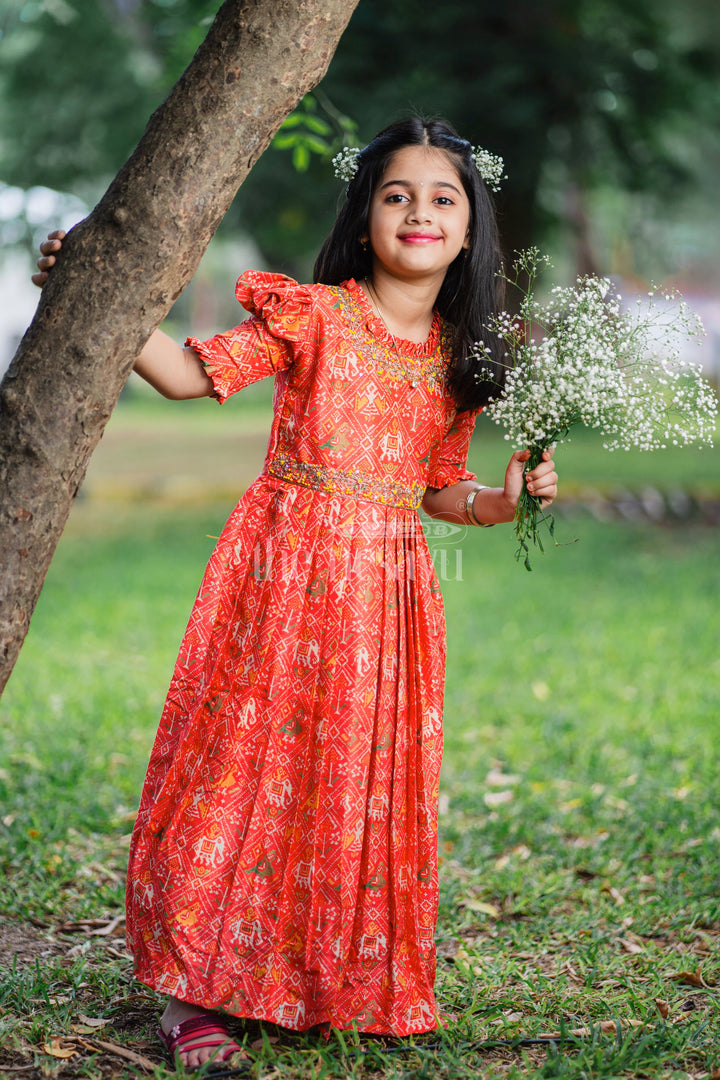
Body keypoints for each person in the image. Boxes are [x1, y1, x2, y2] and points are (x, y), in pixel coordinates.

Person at [34, 117, 557, 1069]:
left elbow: (439, 485)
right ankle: (195, 994)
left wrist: (501, 501)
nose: (419, 212)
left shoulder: (457, 361)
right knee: (240, 763)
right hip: (281, 575)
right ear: (365, 221)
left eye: (443, 198)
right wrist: (93, 291)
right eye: (397, 195)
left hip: (386, 600)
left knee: (350, 781)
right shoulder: (317, 313)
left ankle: (319, 982)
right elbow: (189, 375)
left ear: (472, 229)